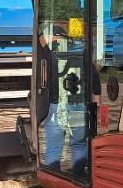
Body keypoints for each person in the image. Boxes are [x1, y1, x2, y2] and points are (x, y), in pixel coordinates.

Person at [38, 27, 89, 176]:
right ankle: (78, 175)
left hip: (56, 105)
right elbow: (94, 78)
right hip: (78, 104)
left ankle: (53, 177)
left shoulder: (50, 55)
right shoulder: (82, 54)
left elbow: (41, 39)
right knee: (79, 143)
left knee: (54, 146)